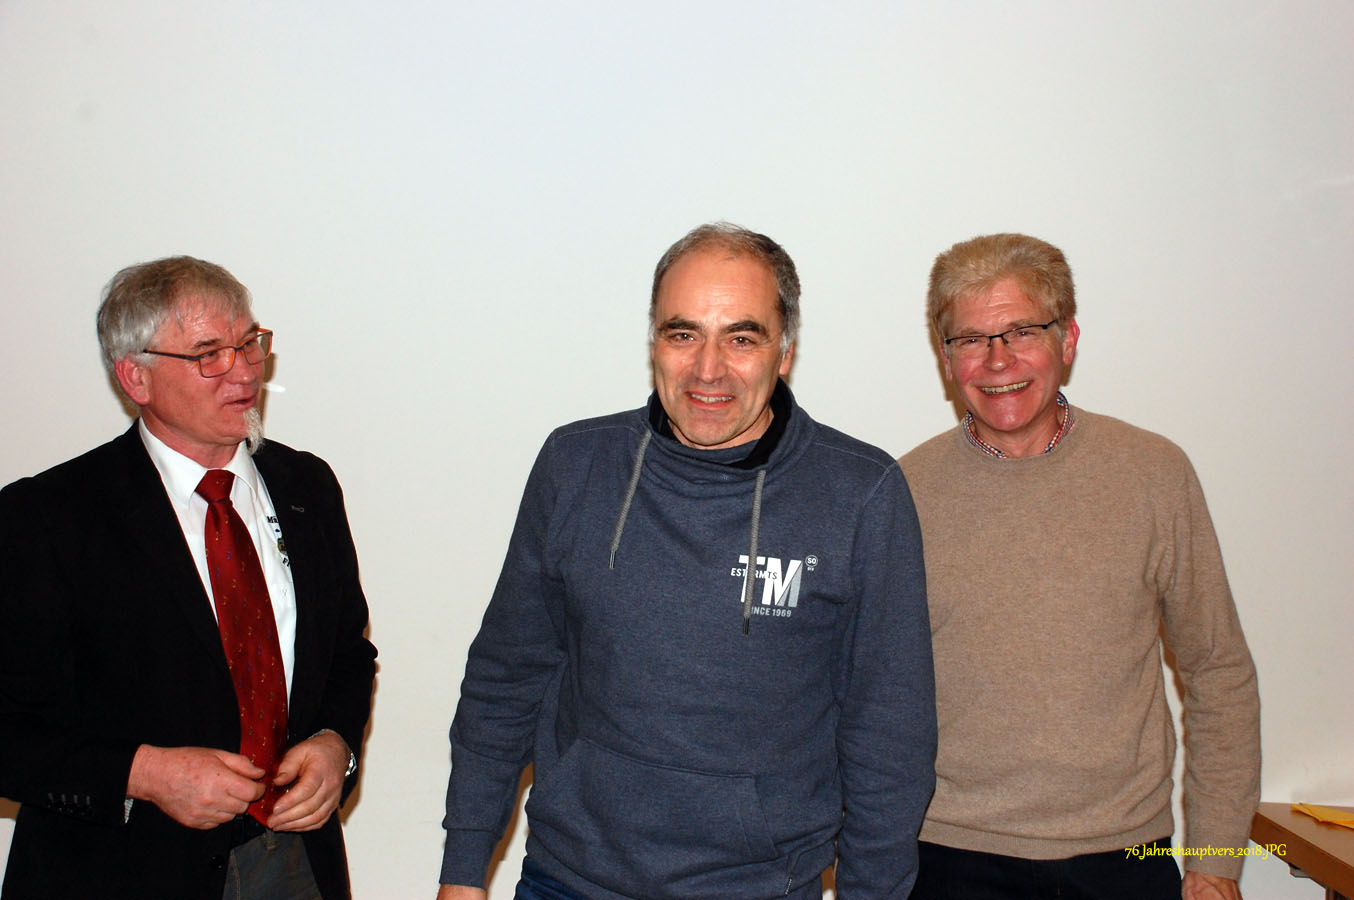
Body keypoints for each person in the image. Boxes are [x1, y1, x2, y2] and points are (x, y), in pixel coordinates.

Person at [436, 223, 935, 900]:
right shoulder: (576, 465)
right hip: (568, 881)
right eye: (683, 334)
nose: (708, 369)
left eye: (741, 338)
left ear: (785, 352)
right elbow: (506, 676)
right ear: (654, 344)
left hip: (761, 888)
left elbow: (889, 738)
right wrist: (463, 869)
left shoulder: (859, 493)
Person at [0, 257, 377, 899]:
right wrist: (145, 774)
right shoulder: (48, 516)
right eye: (209, 354)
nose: (246, 371)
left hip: (294, 861)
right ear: (136, 377)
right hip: (123, 871)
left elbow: (348, 654)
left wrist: (335, 745)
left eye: (250, 343)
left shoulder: (307, 486)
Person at [898, 233, 1260, 900]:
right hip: (948, 857)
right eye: (971, 339)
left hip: (1126, 859)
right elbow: (867, 700)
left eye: (1022, 332)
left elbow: (1219, 670)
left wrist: (1216, 858)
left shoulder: (1154, 474)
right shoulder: (901, 493)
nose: (998, 360)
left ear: (1067, 339)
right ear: (946, 359)